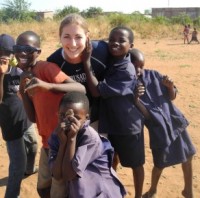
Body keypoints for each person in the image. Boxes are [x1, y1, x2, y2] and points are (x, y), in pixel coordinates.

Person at [14, 31, 86, 198]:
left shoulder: (46, 68)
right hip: (47, 143)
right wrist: (23, 89)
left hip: (63, 141)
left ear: (38, 52)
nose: (22, 53)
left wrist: (47, 86)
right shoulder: (25, 76)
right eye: (18, 48)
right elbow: (33, 118)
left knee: (59, 190)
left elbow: (80, 89)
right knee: (42, 188)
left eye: (27, 49)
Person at [82, 26, 145, 198]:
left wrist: (86, 63)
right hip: (111, 124)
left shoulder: (126, 70)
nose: (115, 43)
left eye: (121, 40)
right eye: (111, 40)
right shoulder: (112, 61)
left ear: (131, 46)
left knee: (135, 164)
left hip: (127, 127)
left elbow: (96, 91)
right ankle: (112, 191)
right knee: (111, 159)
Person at [129, 48, 196, 198]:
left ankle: (188, 190)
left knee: (189, 155)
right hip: (158, 129)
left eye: (142, 65)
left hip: (176, 122)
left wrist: (170, 87)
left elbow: (172, 98)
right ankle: (153, 189)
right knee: (160, 163)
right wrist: (136, 100)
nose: (139, 70)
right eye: (134, 66)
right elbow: (147, 115)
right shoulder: (129, 86)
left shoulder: (155, 75)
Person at [48, 91, 126, 198]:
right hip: (80, 191)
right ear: (57, 114)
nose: (68, 121)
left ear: (86, 118)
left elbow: (68, 175)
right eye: (62, 115)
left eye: (77, 118)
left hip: (101, 193)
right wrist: (62, 144)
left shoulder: (90, 138)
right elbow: (57, 175)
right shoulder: (57, 135)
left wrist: (71, 139)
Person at [47, 13, 109, 127]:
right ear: (59, 37)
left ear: (87, 36)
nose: (73, 44)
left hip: (102, 116)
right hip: (72, 120)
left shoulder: (102, 51)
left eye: (78, 37)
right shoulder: (53, 62)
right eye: (66, 37)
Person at [0, 34, 37, 198]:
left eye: (8, 52)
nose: (5, 56)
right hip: (11, 126)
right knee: (17, 165)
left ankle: (30, 169)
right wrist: (1, 75)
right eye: (1, 52)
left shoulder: (19, 69)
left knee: (34, 145)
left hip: (26, 119)